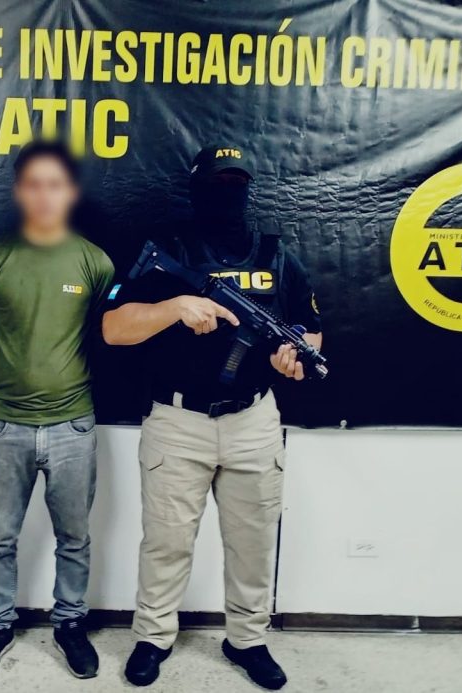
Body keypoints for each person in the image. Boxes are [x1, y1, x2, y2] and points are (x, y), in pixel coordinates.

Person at [102, 145, 323, 690]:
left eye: (236, 183)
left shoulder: (274, 254)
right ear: (196, 188)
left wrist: (294, 355)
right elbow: (113, 328)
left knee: (253, 543)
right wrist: (174, 308)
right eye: (217, 183)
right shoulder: (167, 249)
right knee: (167, 542)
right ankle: (154, 637)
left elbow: (311, 330)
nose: (228, 194)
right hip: (178, 423)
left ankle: (246, 639)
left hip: (253, 422)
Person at [0, 141, 115, 680]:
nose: (44, 195)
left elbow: (105, 336)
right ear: (18, 191)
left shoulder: (94, 261)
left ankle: (70, 623)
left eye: (55, 184)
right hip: (4, 423)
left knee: (74, 537)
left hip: (74, 423)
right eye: (33, 184)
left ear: (69, 192)